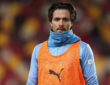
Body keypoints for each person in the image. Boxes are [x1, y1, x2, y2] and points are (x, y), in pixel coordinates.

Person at [27, 2, 99, 85]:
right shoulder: (38, 50)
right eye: (57, 19)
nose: (61, 23)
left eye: (65, 19)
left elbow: (92, 81)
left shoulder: (83, 49)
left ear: (71, 23)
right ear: (50, 22)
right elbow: (31, 82)